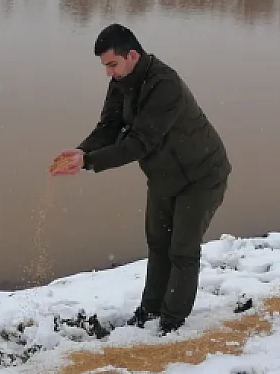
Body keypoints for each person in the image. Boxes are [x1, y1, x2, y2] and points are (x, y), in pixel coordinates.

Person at [50, 24, 231, 336]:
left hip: (201, 176)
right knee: (158, 244)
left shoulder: (165, 85)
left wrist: (90, 162)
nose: (108, 73)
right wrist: (82, 150)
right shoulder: (121, 81)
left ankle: (171, 325)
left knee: (182, 251)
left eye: (112, 64)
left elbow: (139, 142)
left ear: (132, 55)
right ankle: (150, 311)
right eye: (105, 66)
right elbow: (109, 127)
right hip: (163, 176)